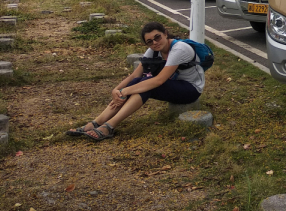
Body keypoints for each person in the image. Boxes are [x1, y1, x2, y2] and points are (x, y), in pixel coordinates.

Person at [66, 22, 205, 141]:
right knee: (139, 82)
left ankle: (109, 126)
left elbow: (159, 81)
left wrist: (125, 91)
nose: (155, 43)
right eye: (149, 41)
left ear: (165, 33)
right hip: (172, 86)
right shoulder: (153, 50)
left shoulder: (179, 48)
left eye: (157, 37)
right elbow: (134, 76)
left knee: (148, 84)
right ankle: (97, 122)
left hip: (190, 90)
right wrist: (115, 90)